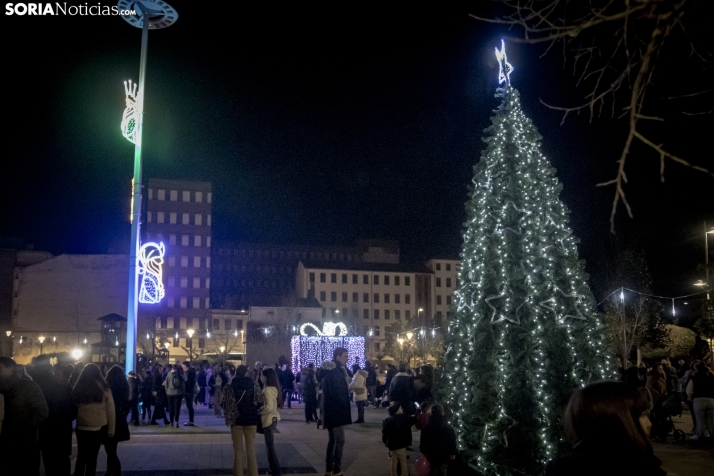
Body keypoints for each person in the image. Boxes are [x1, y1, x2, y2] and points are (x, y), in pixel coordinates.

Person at [544, 381, 665, 476]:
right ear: (616, 421)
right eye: (642, 415)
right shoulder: (638, 466)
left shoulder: (564, 467)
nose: (649, 423)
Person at [0, 356, 49, 476]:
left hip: (25, 446)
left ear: (10, 368)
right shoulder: (3, 388)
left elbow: (41, 411)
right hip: (5, 445)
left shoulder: (28, 386)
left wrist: (22, 430)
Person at [31, 356, 76, 476]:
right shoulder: (65, 388)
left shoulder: (39, 384)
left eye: (57, 374)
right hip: (60, 430)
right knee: (60, 461)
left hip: (49, 430)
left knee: (51, 461)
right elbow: (73, 411)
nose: (55, 375)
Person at [72, 363, 116, 476]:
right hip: (98, 426)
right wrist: (111, 430)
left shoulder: (78, 387)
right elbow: (110, 410)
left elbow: (73, 405)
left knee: (81, 456)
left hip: (82, 425)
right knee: (93, 457)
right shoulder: (104, 388)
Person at [223, 365, 262, 476]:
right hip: (251, 420)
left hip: (236, 420)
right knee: (251, 451)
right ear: (246, 372)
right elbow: (260, 401)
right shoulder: (254, 385)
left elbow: (224, 404)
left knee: (238, 452)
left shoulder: (229, 385)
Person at [322, 347, 352, 476]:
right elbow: (338, 393)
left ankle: (329, 468)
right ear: (338, 357)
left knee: (333, 440)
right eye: (345, 356)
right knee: (340, 440)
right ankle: (336, 469)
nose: (347, 359)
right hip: (336, 412)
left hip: (331, 411)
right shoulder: (336, 371)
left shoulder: (332, 371)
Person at [105, 365, 131, 476]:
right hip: (119, 419)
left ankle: (113, 472)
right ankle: (111, 471)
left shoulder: (108, 388)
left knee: (110, 451)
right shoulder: (125, 387)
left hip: (109, 419)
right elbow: (127, 405)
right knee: (112, 449)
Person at [419, 403, 457, 476]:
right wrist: (453, 452)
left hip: (431, 455)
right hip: (444, 455)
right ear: (442, 413)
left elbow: (423, 441)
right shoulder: (447, 428)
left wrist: (423, 451)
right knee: (442, 471)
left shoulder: (427, 428)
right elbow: (452, 440)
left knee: (433, 470)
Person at [382, 403, 415, 476]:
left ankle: (394, 474)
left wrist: (385, 441)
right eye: (401, 408)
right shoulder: (404, 418)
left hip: (392, 444)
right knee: (403, 461)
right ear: (397, 410)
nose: (402, 409)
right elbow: (413, 420)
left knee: (393, 461)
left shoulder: (388, 420)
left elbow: (385, 432)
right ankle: (405, 473)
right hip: (401, 444)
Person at [261, 368, 283, 476]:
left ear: (266, 377)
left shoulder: (267, 390)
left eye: (262, 376)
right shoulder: (274, 388)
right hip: (273, 419)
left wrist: (260, 411)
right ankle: (273, 470)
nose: (261, 378)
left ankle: (275, 471)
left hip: (268, 420)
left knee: (270, 448)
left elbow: (269, 407)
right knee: (270, 447)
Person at [688, 362, 714, 440]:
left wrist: (690, 397)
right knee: (711, 421)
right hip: (710, 400)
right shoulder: (711, 378)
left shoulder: (694, 378)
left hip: (698, 400)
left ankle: (701, 436)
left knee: (700, 420)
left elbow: (689, 390)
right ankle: (712, 436)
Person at [164, 363, 185, 427]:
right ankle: (176, 421)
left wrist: (167, 391)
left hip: (169, 393)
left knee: (171, 408)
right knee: (177, 408)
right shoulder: (179, 375)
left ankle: (171, 422)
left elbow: (166, 384)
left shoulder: (169, 374)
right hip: (178, 393)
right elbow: (182, 385)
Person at [182, 362, 197, 426]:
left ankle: (191, 420)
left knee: (190, 406)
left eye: (183, 366)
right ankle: (190, 420)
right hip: (188, 391)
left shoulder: (190, 372)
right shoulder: (189, 372)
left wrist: (185, 382)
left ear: (186, 366)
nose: (182, 367)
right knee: (189, 406)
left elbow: (190, 382)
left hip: (189, 391)